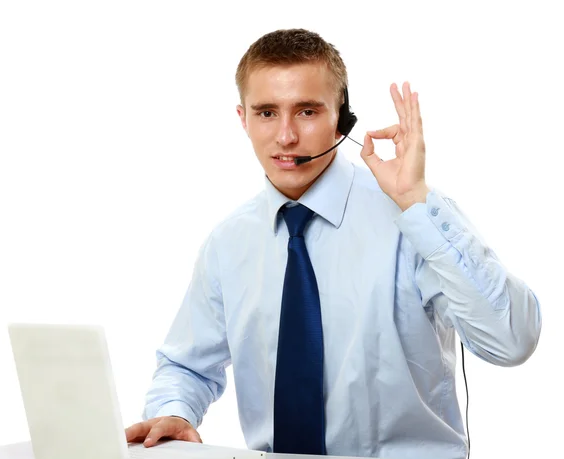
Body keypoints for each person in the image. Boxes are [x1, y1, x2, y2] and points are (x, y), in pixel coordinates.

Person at [124, 28, 542, 459]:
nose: (285, 137)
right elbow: (186, 364)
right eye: (266, 113)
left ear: (341, 119)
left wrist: (419, 204)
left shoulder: (415, 221)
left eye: (306, 111)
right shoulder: (228, 243)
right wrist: (174, 412)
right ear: (243, 119)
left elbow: (511, 341)